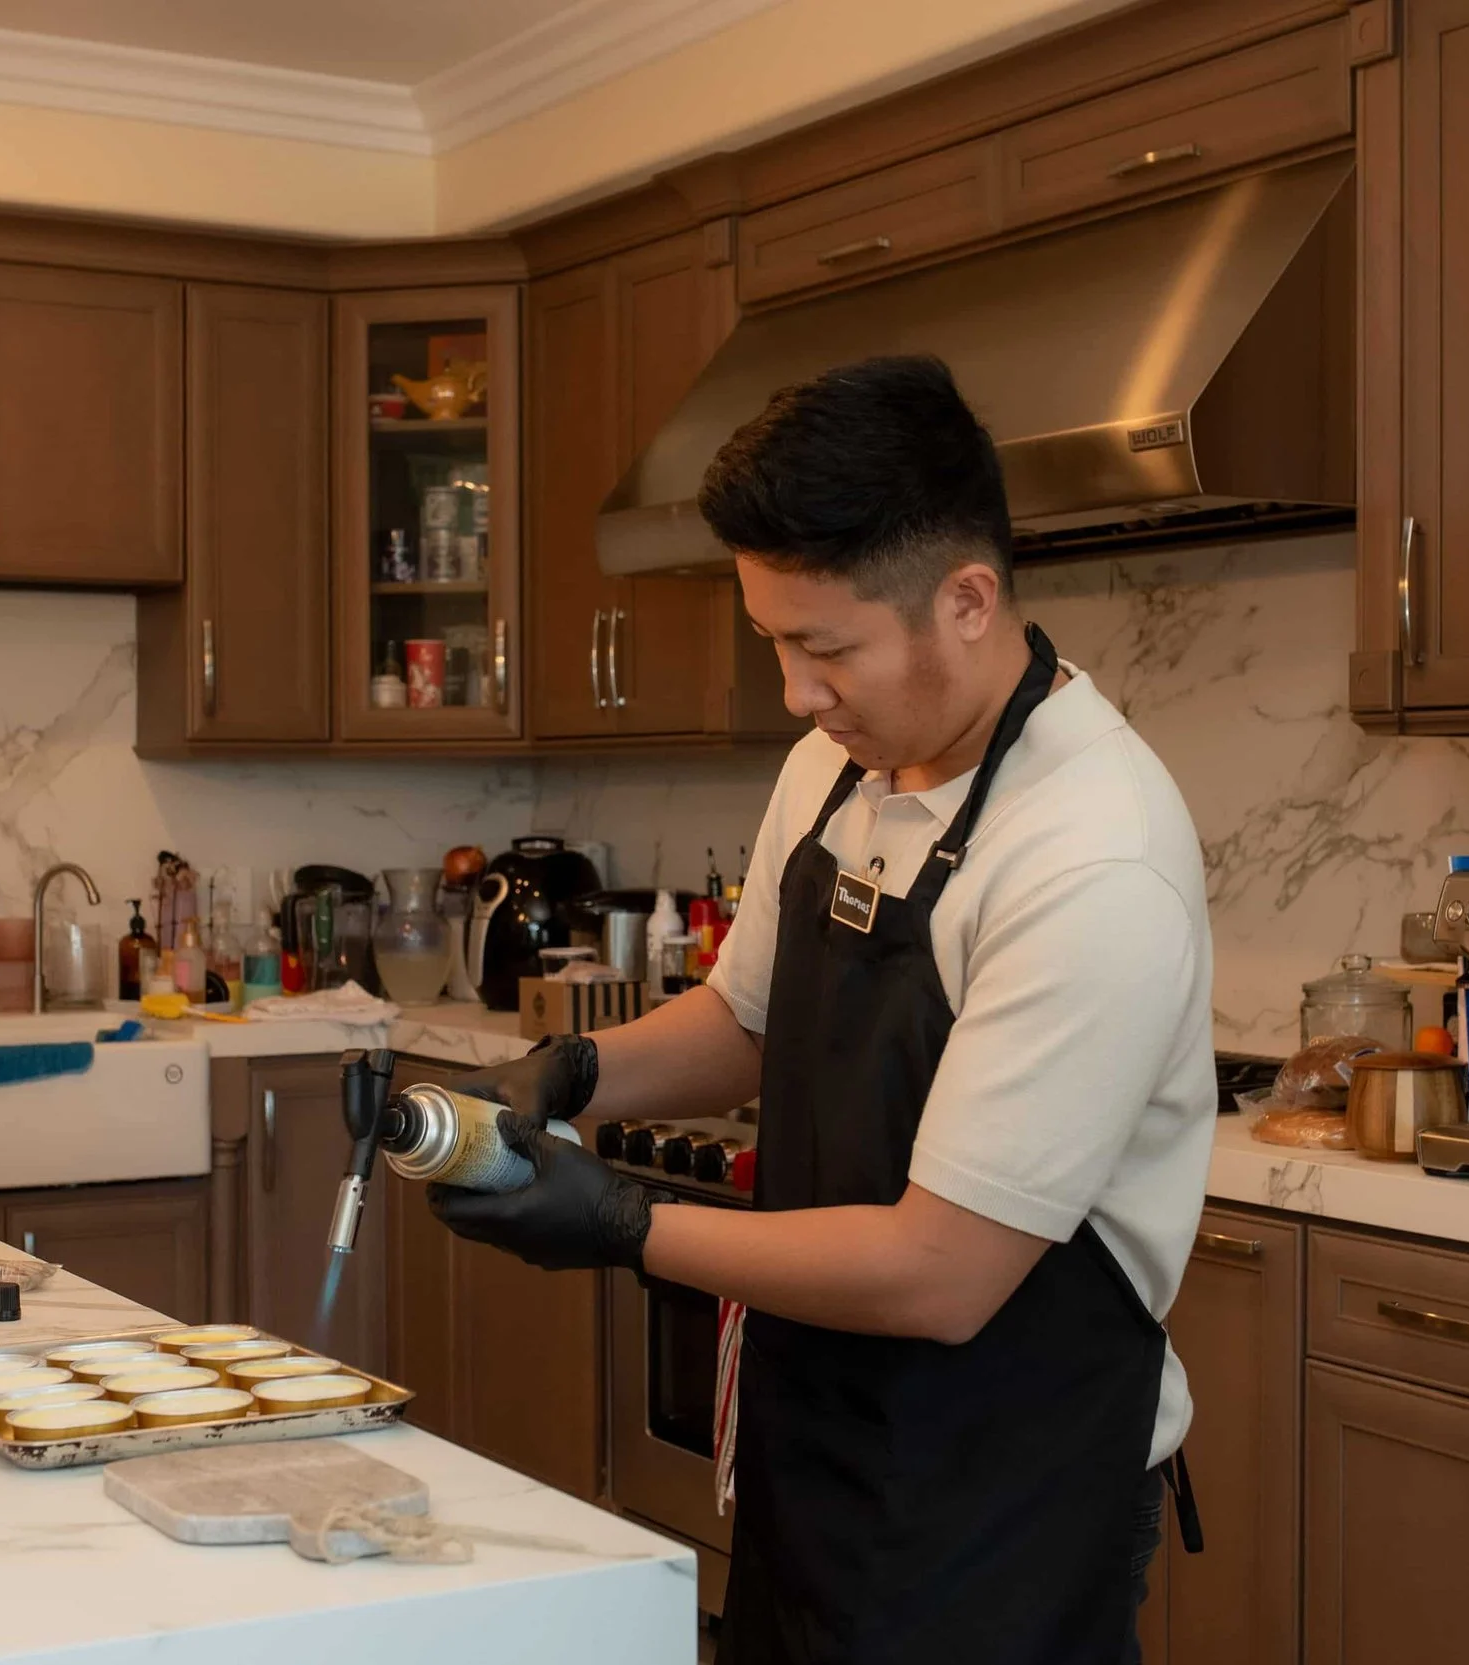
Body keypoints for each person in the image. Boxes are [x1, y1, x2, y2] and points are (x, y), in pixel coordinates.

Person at [431, 354, 1217, 1665]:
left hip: (1003, 1495)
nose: (796, 693)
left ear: (967, 601)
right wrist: (573, 1075)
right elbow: (748, 1020)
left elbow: (941, 1273)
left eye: (824, 647)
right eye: (775, 644)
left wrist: (626, 1222)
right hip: (818, 1443)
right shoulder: (833, 767)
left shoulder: (1091, 854)